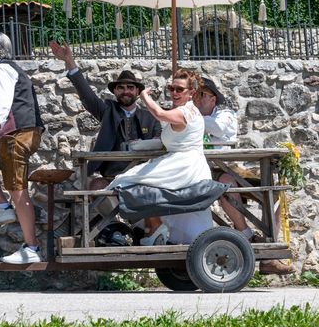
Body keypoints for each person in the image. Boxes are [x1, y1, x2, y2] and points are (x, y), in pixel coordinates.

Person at [195, 77, 293, 275]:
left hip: (227, 167)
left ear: (213, 99)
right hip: (199, 169)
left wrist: (188, 116)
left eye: (200, 95)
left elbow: (218, 128)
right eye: (194, 95)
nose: (196, 99)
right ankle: (246, 236)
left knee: (274, 192)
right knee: (225, 183)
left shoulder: (225, 115)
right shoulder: (189, 116)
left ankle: (269, 248)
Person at [105, 69, 213, 245]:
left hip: (184, 165)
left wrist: (144, 96)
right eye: (171, 88)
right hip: (180, 162)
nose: (174, 93)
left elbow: (160, 114)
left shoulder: (184, 112)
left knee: (127, 181)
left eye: (179, 89)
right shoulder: (185, 110)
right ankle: (152, 225)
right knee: (133, 182)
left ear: (191, 93)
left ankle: (154, 225)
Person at [0, 32, 45, 264]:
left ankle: (32, 247)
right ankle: (3, 206)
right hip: (16, 135)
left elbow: (2, 103)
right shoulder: (10, 69)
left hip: (16, 136)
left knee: (18, 189)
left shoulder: (1, 69)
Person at [49, 40, 161, 190]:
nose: (125, 91)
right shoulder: (108, 110)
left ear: (137, 91)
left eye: (130, 87)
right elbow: (87, 96)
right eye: (120, 87)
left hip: (142, 178)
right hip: (111, 178)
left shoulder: (151, 117)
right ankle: (101, 215)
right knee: (96, 186)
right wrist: (70, 61)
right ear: (115, 91)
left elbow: (159, 142)